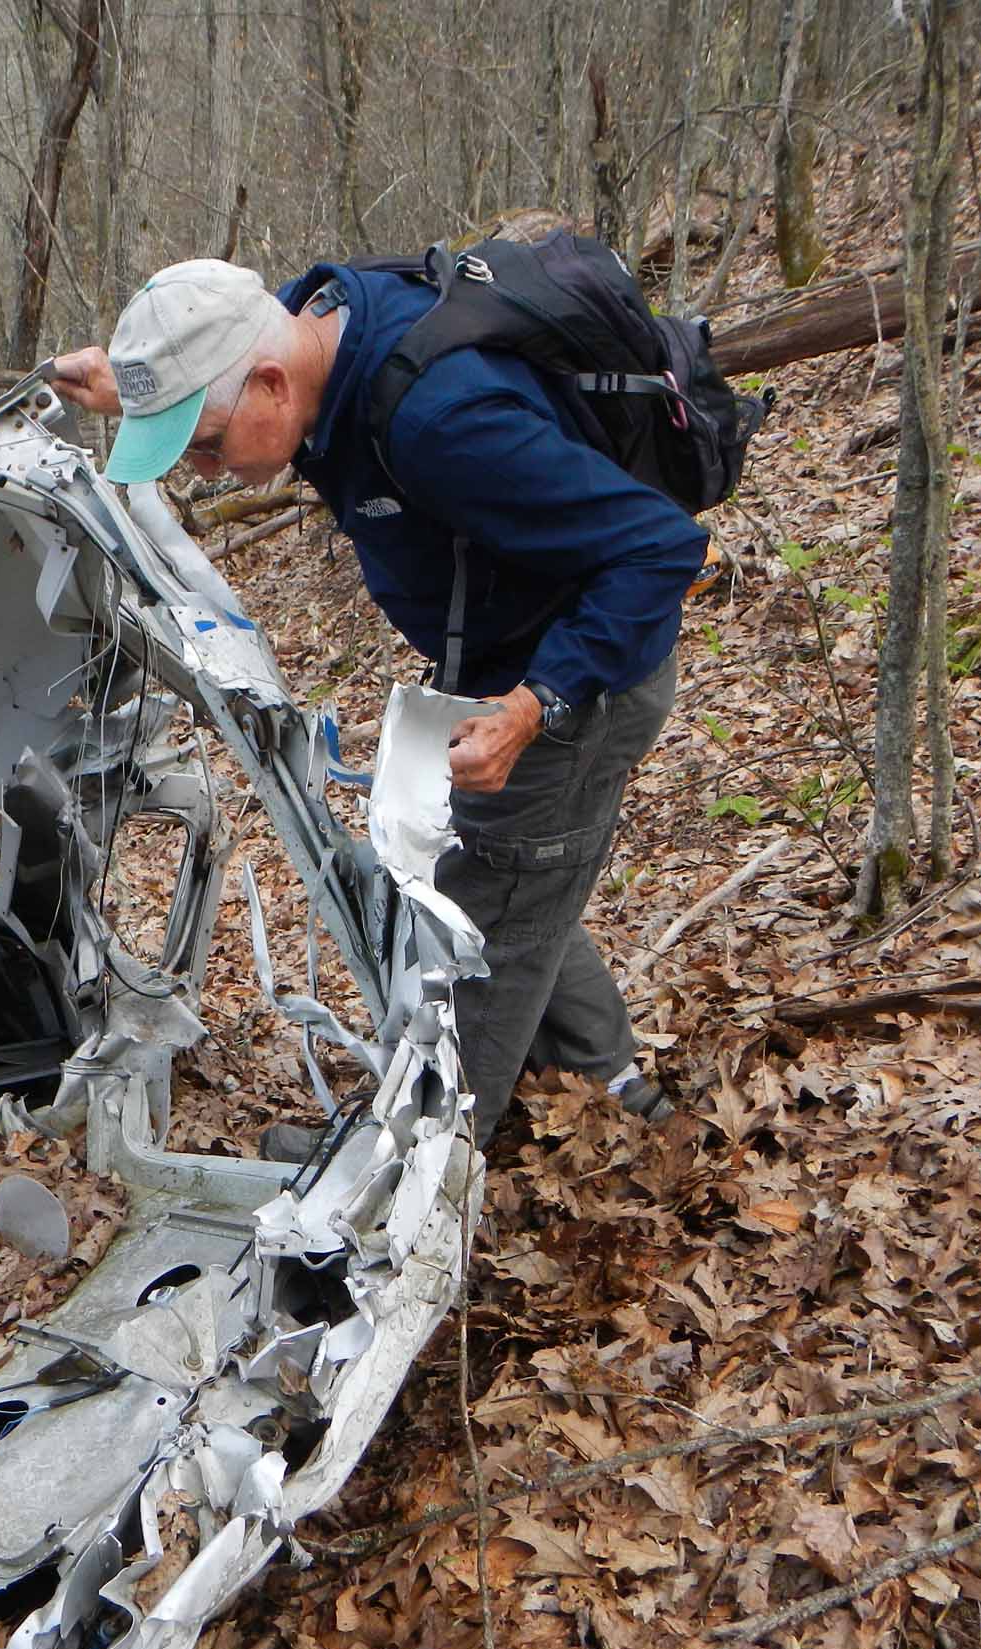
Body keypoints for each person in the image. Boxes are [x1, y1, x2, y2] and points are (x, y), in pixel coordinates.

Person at [51, 256, 706, 1132]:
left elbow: (660, 548)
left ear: (273, 385)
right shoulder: (316, 327)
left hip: (570, 682)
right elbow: (231, 355)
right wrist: (135, 391)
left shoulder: (443, 422)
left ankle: (418, 1155)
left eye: (203, 443)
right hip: (502, 665)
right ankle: (615, 1088)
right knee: (518, 882)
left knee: (484, 927)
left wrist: (533, 705)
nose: (203, 471)